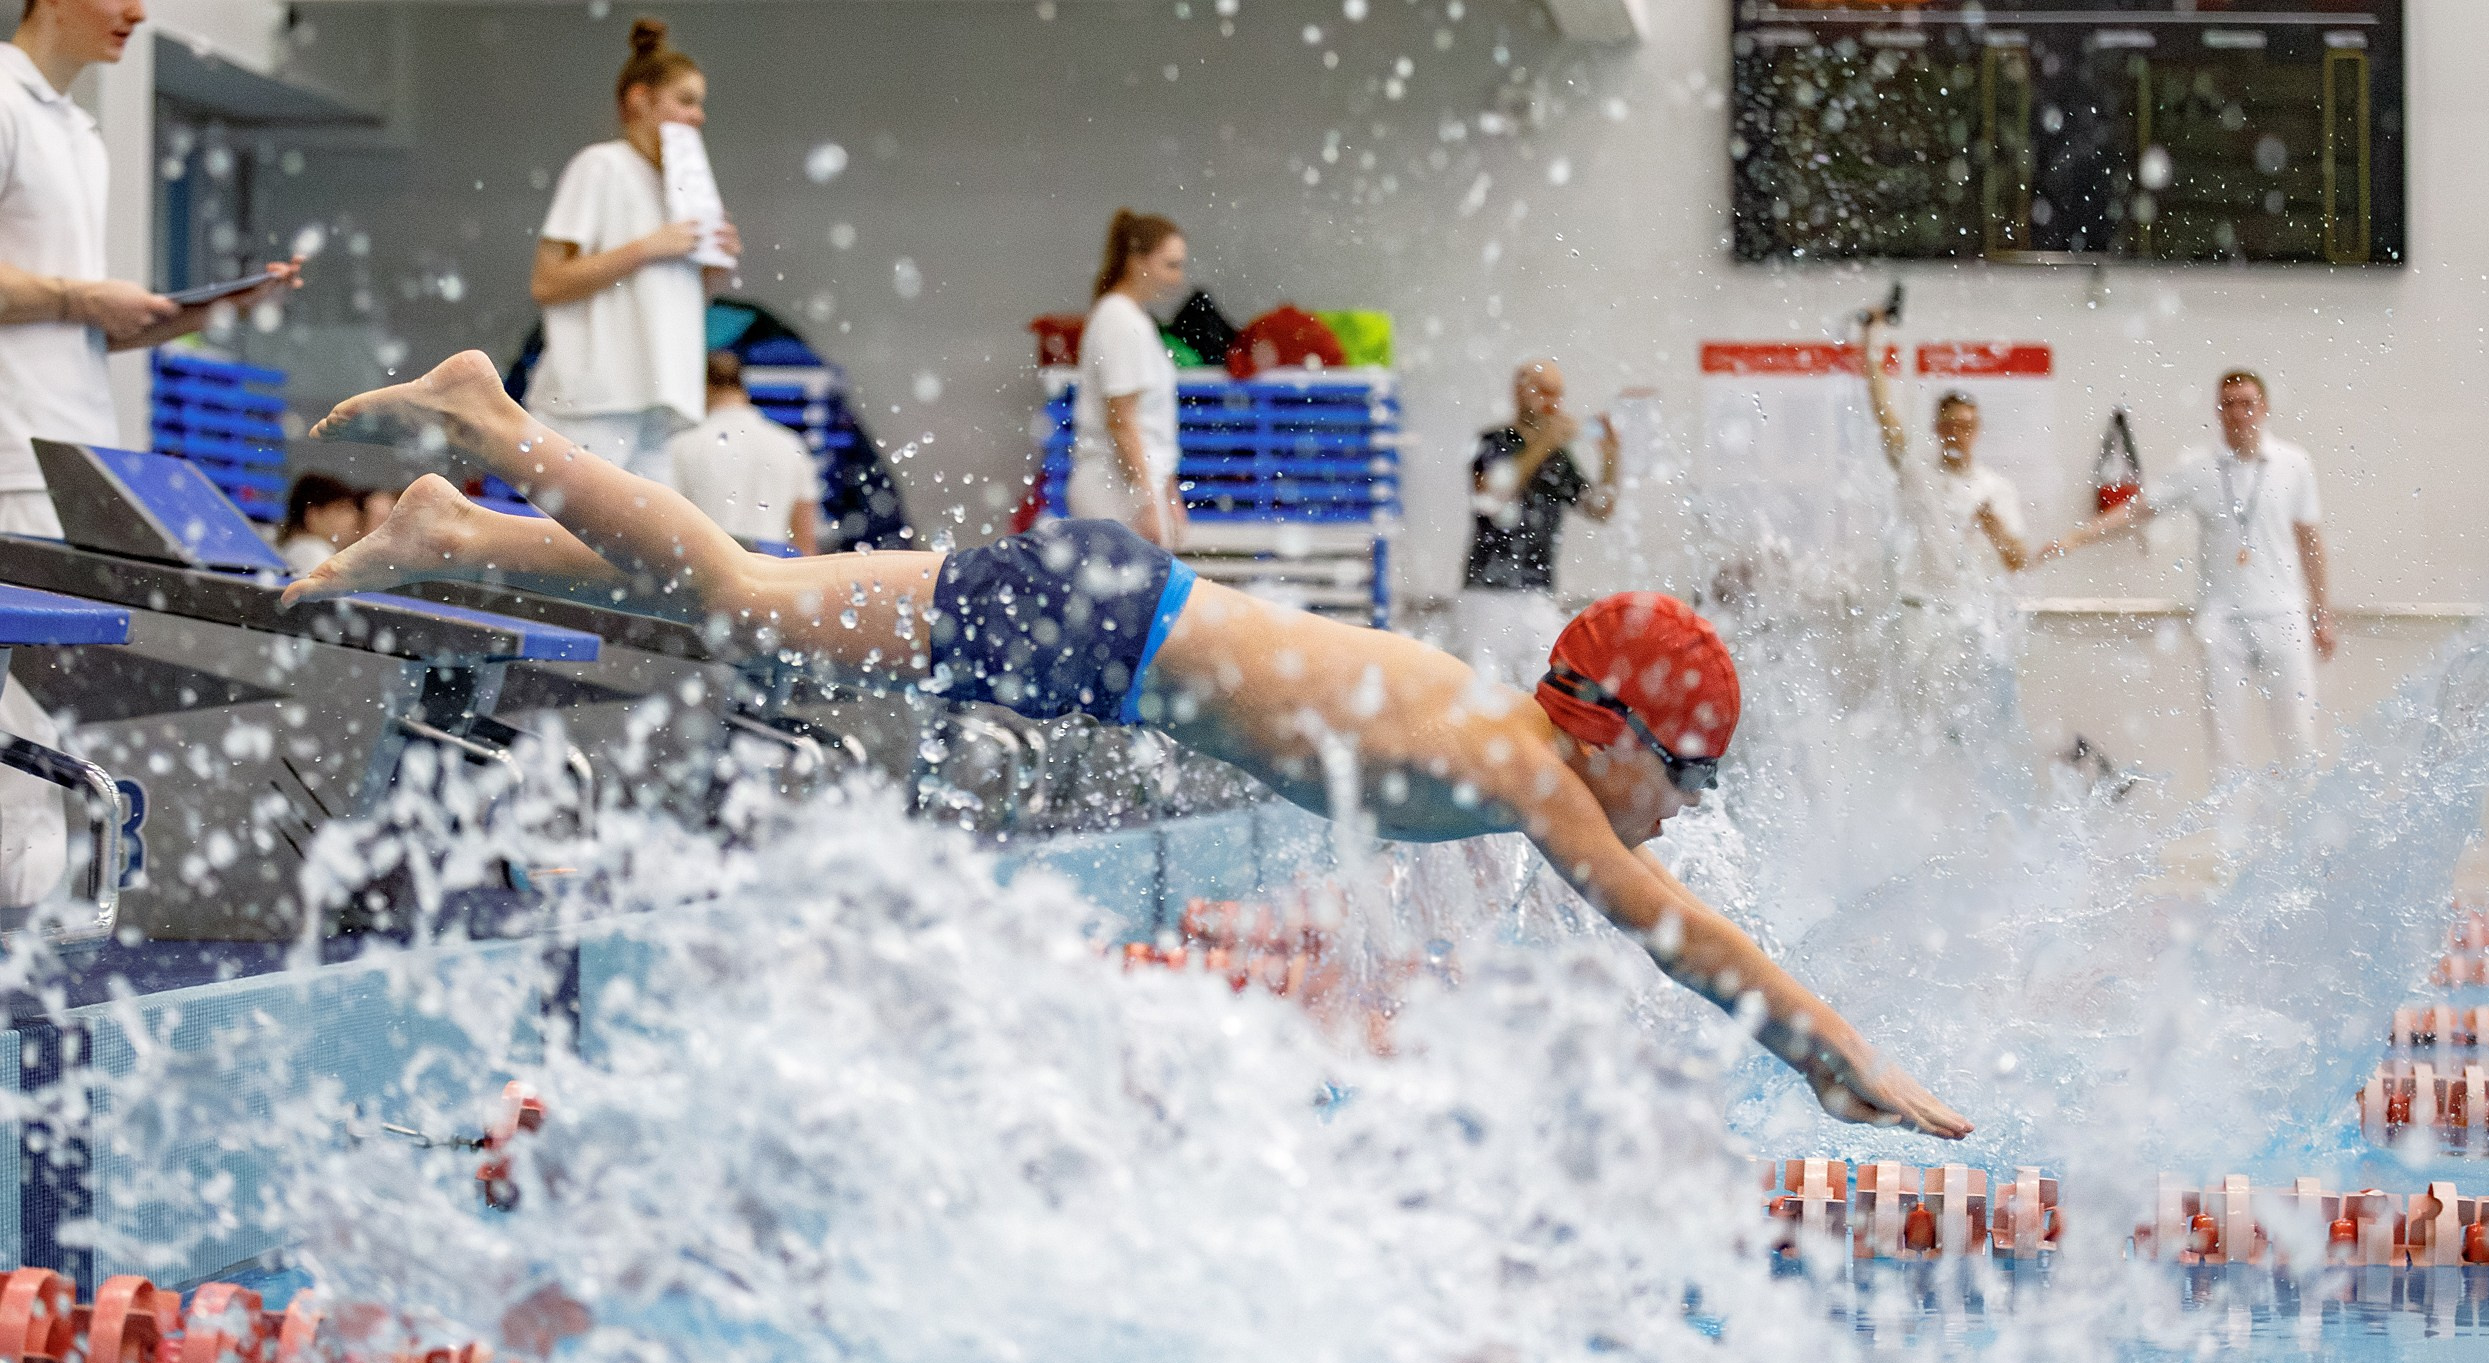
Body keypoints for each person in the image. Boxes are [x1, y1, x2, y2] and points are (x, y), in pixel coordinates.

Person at [285, 349, 1972, 1140]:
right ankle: (498, 423)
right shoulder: (1534, 768)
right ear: (1612, 735)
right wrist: (1831, 1052)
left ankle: (453, 527)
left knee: (757, 601)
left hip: (1106, 617)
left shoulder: (1502, 731)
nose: (1684, 808)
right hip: (1102, 630)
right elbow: (1665, 928)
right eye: (1685, 774)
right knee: (742, 595)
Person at [0, 0, 297, 538]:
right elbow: (76, 303)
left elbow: (76, 330)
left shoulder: (82, 136)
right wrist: (84, 299)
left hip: (84, 465)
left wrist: (218, 309)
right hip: (13, 466)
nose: (137, 13)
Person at [2042, 369, 2335, 778]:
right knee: (2226, 747)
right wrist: (2077, 537)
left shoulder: (2294, 463)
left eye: (2247, 403)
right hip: (2222, 621)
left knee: (2298, 739)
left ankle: (2300, 813)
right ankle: (2230, 819)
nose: (2239, 413)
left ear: (2264, 407)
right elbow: (2138, 510)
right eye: (2229, 404)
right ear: (2218, 411)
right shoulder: (2198, 467)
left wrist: (2321, 612)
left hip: (2283, 615)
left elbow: (2310, 540)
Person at [523, 17, 740, 487]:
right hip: (594, 399)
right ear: (640, 100)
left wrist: (711, 265)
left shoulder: (678, 191)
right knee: (576, 532)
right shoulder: (601, 166)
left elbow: (664, 301)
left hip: (659, 398)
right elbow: (547, 282)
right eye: (685, 101)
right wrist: (647, 247)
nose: (698, 117)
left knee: (645, 536)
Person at [1858, 311, 2030, 745]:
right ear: (1937, 428)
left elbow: (2017, 560)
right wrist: (1871, 344)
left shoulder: (1996, 489)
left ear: (1978, 429)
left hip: (1968, 618)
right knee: (1917, 726)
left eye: (1967, 425)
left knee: (1971, 727)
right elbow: (1885, 415)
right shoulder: (1919, 476)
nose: (1959, 434)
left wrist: (1992, 527)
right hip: (1919, 613)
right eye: (1951, 425)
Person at [1457, 359, 1618, 687]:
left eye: (1558, 394)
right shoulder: (1493, 441)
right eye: (1543, 391)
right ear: (1520, 391)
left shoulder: (1557, 456)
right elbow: (1491, 496)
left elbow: (1599, 509)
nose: (1552, 402)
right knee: (1484, 693)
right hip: (1487, 592)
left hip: (1538, 593)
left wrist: (1611, 458)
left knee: (1546, 691)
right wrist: (1546, 441)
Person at [1067, 211, 1186, 547]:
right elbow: (1121, 419)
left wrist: (1168, 492)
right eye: (1170, 265)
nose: (1178, 278)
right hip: (1114, 488)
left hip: (1130, 485)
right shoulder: (1118, 319)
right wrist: (1145, 500)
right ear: (1137, 261)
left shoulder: (1133, 318)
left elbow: (1153, 424)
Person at [665, 350, 821, 556]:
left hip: (708, 566)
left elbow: (668, 529)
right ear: (742, 386)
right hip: (772, 566)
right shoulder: (791, 445)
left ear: (703, 387)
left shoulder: (680, 447)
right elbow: (804, 540)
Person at [277, 472, 366, 576]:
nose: (353, 518)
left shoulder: (299, 550)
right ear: (313, 515)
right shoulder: (312, 553)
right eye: (341, 509)